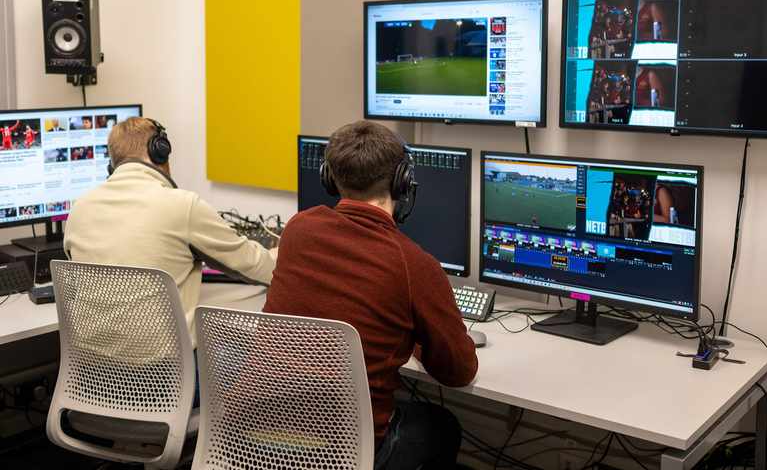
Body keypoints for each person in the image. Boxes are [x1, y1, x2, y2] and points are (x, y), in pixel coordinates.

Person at [265, 120, 478, 470]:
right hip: (339, 449)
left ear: (329, 177)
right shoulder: (414, 264)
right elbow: (460, 371)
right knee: (442, 425)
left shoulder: (297, 229)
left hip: (255, 434)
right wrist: (417, 336)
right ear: (402, 181)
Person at [64, 117, 277, 397]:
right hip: (165, 385)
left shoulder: (79, 209)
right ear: (160, 151)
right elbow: (260, 268)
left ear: (112, 164)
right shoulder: (182, 206)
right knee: (263, 363)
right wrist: (287, 248)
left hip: (92, 382)